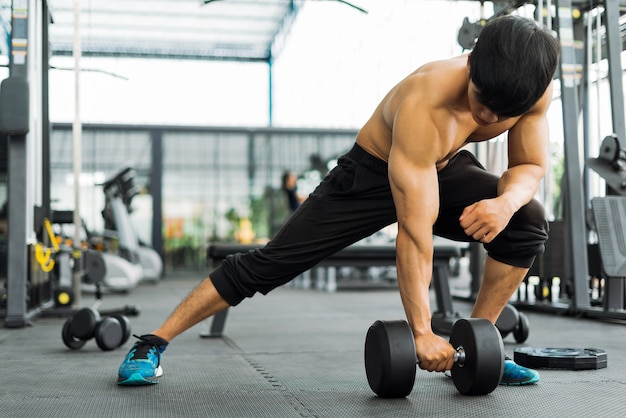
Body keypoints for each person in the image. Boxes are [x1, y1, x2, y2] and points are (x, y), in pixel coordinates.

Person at [117, 15, 559, 387]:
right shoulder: (428, 101)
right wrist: (420, 332)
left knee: (527, 220)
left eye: (504, 113)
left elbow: (530, 166)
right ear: (472, 58)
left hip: (441, 166)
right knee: (270, 264)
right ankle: (152, 343)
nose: (489, 118)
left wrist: (504, 203)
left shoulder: (529, 89)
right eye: (483, 100)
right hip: (369, 173)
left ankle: (480, 347)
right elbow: (415, 232)